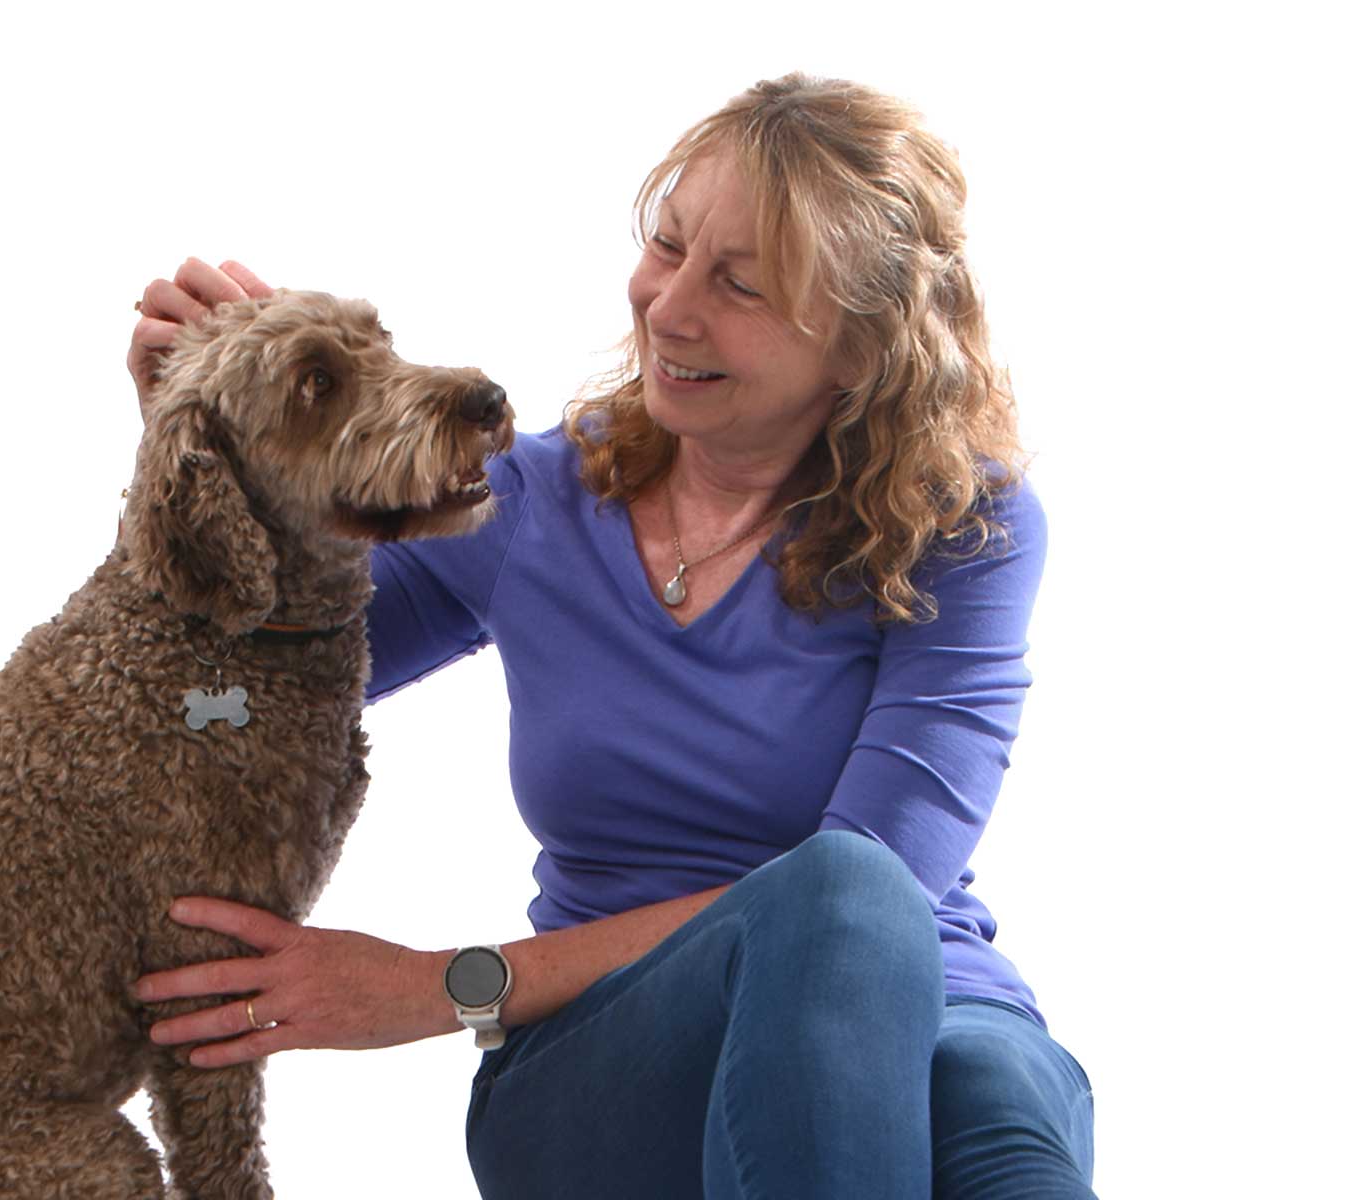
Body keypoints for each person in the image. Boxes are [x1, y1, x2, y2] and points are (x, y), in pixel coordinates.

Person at [127, 73, 1097, 1200]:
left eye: (739, 285)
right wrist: (226, 474)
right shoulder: (534, 498)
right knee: (841, 895)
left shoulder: (964, 530)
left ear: (862, 348)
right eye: (670, 246)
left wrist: (441, 985)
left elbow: (884, 885)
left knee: (971, 1087)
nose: (670, 308)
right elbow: (220, 701)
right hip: (601, 1062)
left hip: (940, 1022)